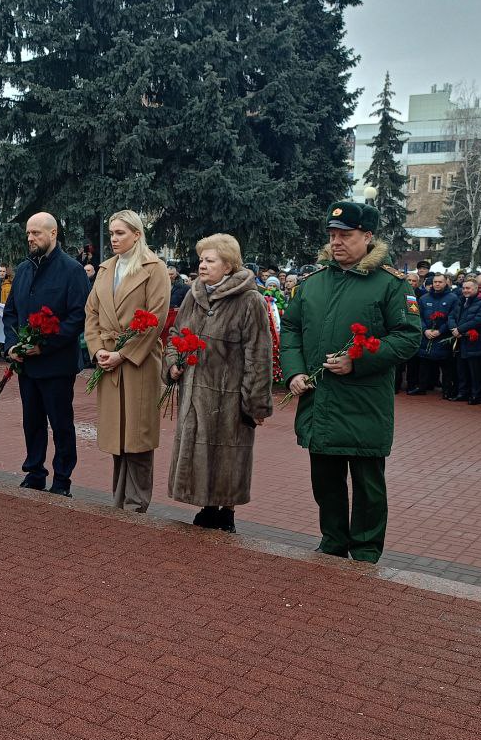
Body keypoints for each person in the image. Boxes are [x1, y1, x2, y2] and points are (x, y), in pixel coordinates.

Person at [278, 201, 420, 562]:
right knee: (325, 481)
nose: (336, 242)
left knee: (368, 485)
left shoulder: (389, 284)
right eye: (332, 235)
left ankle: (366, 550)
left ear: (367, 236)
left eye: (345, 235)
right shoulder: (313, 283)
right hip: (320, 400)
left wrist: (357, 360)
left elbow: (408, 336)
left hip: (364, 402)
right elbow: (291, 327)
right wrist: (294, 371)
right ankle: (333, 542)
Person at [164, 233, 273, 531]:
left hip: (230, 397)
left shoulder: (250, 300)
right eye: (201, 259)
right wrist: (173, 363)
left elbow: (258, 355)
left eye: (210, 260)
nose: (202, 265)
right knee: (199, 452)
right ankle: (206, 505)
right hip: (194, 393)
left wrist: (255, 404)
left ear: (228, 265)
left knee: (228, 456)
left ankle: (227, 511)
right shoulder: (194, 294)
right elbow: (175, 334)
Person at [83, 209, 169, 512]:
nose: (114, 239)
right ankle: (119, 500)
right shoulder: (106, 268)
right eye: (111, 233)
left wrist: (123, 354)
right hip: (108, 358)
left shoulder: (154, 268)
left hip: (138, 362)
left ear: (137, 234)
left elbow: (156, 318)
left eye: (120, 233)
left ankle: (136, 503)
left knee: (138, 434)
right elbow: (91, 312)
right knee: (117, 433)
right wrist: (97, 350)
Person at [3, 213, 92, 497]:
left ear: (53, 233)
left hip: (57, 364)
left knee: (60, 423)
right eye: (28, 233)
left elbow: (77, 316)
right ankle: (35, 473)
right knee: (32, 421)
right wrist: (12, 346)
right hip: (27, 364)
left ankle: (62, 479)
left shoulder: (72, 270)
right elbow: (11, 313)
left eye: (36, 233)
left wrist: (45, 345)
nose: (30, 238)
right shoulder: (23, 269)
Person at [409, 273, 459, 396]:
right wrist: (425, 330)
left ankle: (446, 390)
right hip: (427, 335)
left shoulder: (453, 298)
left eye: (440, 282)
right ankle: (421, 387)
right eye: (435, 282)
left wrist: (440, 331)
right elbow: (418, 316)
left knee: (446, 365)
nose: (437, 284)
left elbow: (453, 317)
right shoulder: (424, 298)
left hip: (443, 336)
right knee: (424, 363)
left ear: (445, 283)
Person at [449, 278, 481, 404]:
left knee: (475, 371)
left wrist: (460, 329)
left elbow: (479, 320)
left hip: (474, 342)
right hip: (460, 340)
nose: (465, 290)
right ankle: (462, 392)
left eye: (468, 288)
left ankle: (475, 395)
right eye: (463, 288)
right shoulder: (460, 300)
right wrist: (453, 328)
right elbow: (451, 316)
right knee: (461, 369)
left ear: (476, 288)